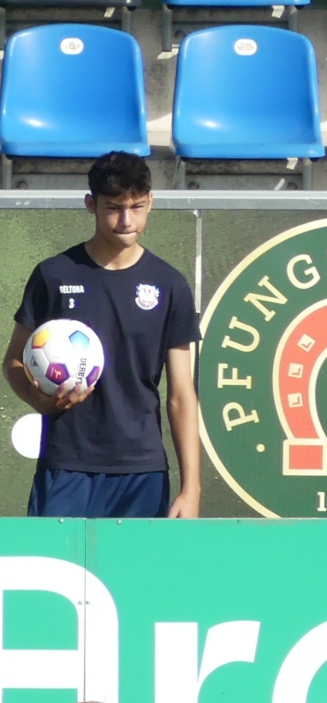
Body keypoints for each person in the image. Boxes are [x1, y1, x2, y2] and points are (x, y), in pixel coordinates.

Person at [4, 152, 201, 519]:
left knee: (134, 561)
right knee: (56, 558)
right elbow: (14, 361)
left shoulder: (169, 284)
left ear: (150, 203)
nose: (126, 220)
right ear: (91, 205)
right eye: (113, 208)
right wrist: (37, 399)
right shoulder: (54, 275)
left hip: (141, 470)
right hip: (66, 464)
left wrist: (192, 488)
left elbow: (181, 396)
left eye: (136, 207)